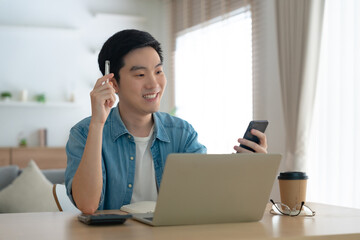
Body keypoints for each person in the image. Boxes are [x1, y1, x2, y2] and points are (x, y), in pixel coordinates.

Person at [65, 29, 267, 214]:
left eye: (159, 71)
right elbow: (87, 205)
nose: (153, 83)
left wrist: (250, 170)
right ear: (113, 83)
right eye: (140, 74)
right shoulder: (84, 133)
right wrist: (98, 124)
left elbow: (207, 195)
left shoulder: (182, 133)